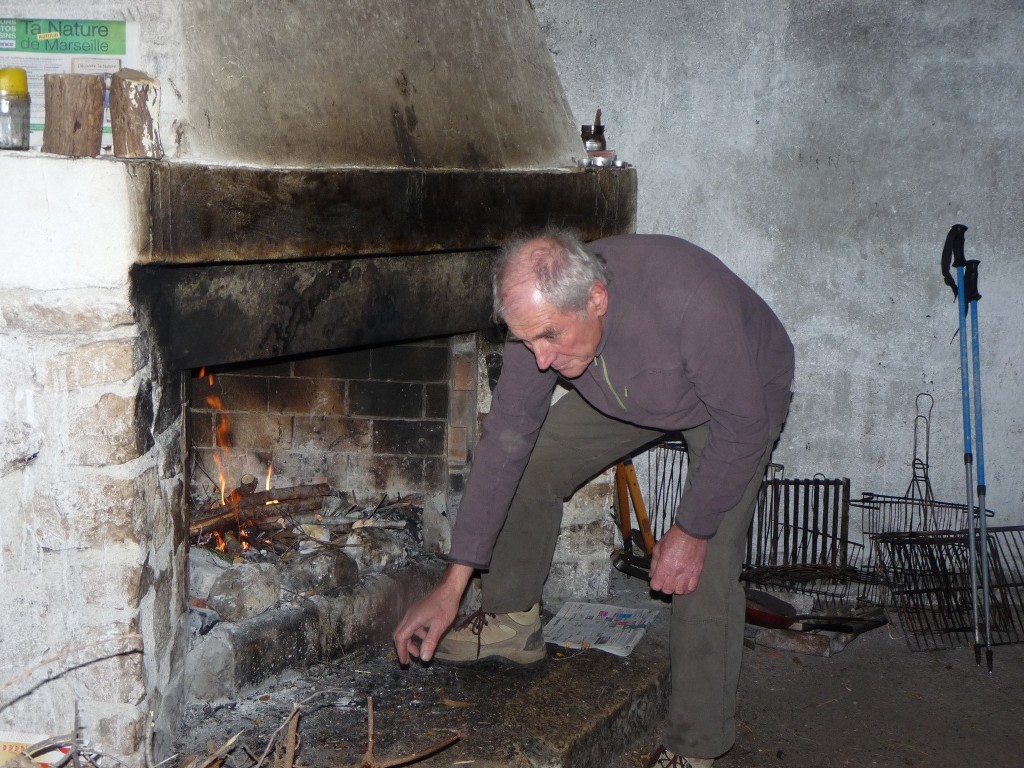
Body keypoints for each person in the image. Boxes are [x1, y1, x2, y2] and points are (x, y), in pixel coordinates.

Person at [393, 231, 795, 768]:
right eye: (527, 340)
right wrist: (453, 583)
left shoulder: (692, 302)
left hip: (732, 404)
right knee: (531, 465)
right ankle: (512, 620)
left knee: (704, 564)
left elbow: (744, 424)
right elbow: (508, 440)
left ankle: (695, 744)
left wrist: (692, 529)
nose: (540, 359)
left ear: (597, 300)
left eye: (549, 337)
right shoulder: (542, 326)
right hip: (624, 386)